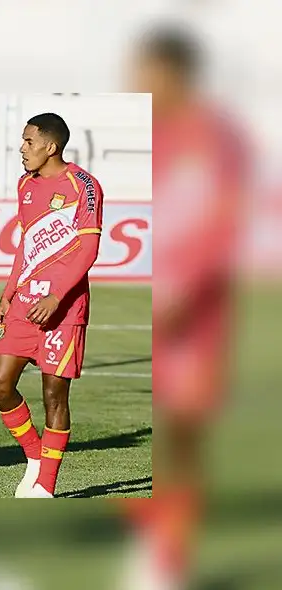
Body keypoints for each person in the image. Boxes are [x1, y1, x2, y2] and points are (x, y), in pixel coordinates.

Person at [121, 26, 248, 588]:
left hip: (195, 313)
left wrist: (184, 293)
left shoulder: (219, 138)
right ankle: (154, 529)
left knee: (182, 432)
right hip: (148, 304)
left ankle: (169, 559)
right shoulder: (149, 134)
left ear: (176, 73)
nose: (137, 82)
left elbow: (224, 223)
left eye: (146, 71)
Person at [0, 112, 104, 498]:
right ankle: (35, 457)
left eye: (29, 142)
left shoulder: (84, 186)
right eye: (22, 142)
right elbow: (25, 246)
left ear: (50, 146)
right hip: (24, 304)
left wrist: (57, 297)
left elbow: (88, 248)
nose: (22, 149)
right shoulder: (25, 185)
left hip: (64, 310)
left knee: (55, 396)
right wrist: (8, 293)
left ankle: (46, 486)